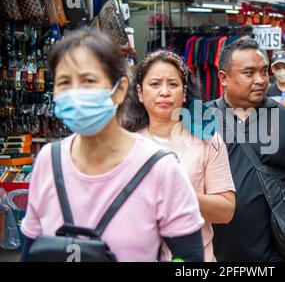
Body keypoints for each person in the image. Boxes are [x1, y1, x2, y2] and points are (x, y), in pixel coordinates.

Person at [20, 29, 205, 262]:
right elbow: (29, 252)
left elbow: (189, 259)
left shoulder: (161, 169)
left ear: (119, 90)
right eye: (64, 82)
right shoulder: (48, 161)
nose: (75, 92)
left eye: (88, 80)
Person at [209, 39, 285, 262]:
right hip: (218, 249)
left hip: (279, 248)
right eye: (249, 73)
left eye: (263, 72)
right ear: (223, 78)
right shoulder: (202, 120)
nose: (260, 80)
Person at [119, 50, 236, 262]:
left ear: (184, 94)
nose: (164, 92)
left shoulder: (208, 141)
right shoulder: (124, 142)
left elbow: (226, 211)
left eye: (173, 85)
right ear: (139, 92)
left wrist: (182, 192)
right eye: (155, 84)